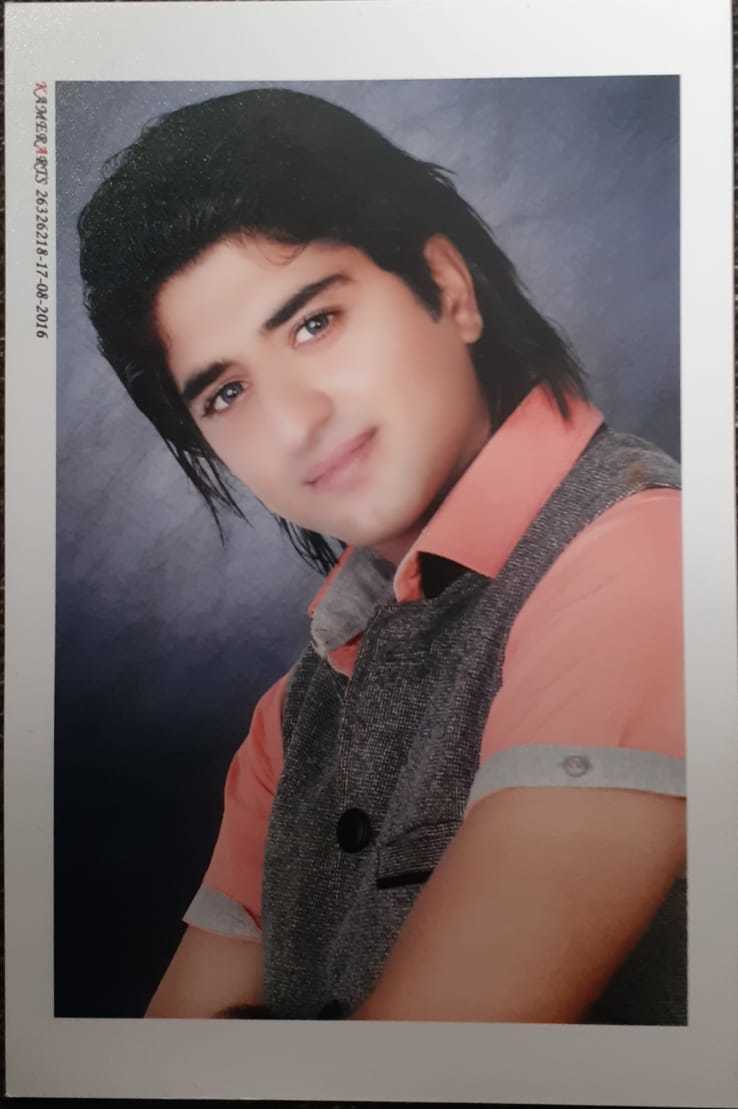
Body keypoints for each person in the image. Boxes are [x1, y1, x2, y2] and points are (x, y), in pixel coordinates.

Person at [78, 87, 685, 1023]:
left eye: (314, 322)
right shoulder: (289, 721)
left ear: (449, 287)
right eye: (226, 393)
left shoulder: (645, 561)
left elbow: (434, 1067)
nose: (295, 422)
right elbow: (169, 1067)